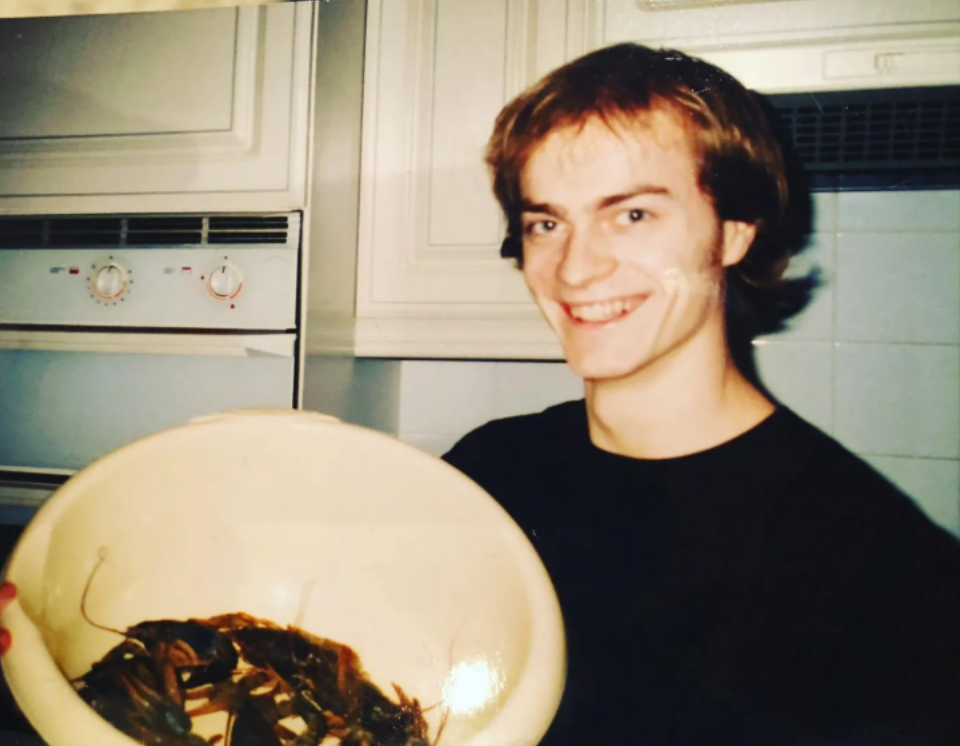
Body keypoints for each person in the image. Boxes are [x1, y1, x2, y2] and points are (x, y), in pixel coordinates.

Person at [440, 43, 960, 745]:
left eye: (633, 215)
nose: (575, 268)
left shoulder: (880, 574)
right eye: (547, 223)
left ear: (734, 231)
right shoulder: (490, 473)